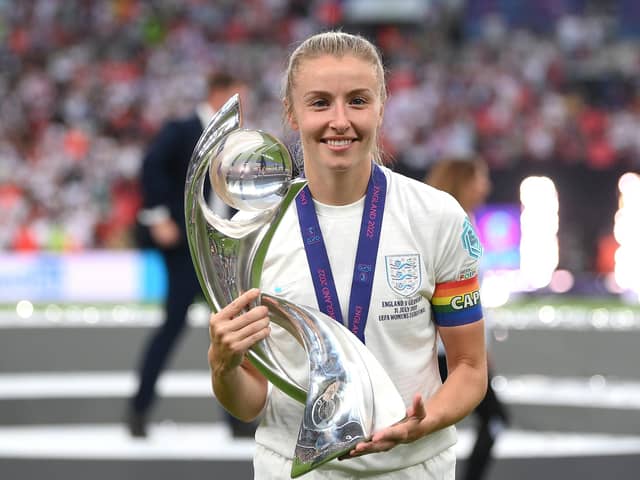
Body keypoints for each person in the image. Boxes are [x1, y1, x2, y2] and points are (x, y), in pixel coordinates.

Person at [208, 31, 488, 479]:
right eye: (320, 103)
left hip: (413, 467)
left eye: (358, 101)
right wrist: (223, 368)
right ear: (291, 114)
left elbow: (471, 368)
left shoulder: (436, 215)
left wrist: (424, 422)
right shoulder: (253, 234)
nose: (340, 120)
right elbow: (250, 402)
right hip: (295, 469)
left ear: (382, 107)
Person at [128, 72, 256, 438]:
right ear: (219, 93)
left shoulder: (236, 140)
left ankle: (236, 417)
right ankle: (139, 408)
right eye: (238, 97)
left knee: (230, 330)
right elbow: (151, 167)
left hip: (221, 249)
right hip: (185, 247)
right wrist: (158, 217)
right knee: (174, 325)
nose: (242, 106)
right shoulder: (183, 129)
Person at [426, 157, 510, 480]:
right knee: (492, 419)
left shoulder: (461, 222)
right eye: (481, 178)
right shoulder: (447, 226)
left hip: (457, 349)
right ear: (463, 181)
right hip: (448, 352)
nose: (486, 185)